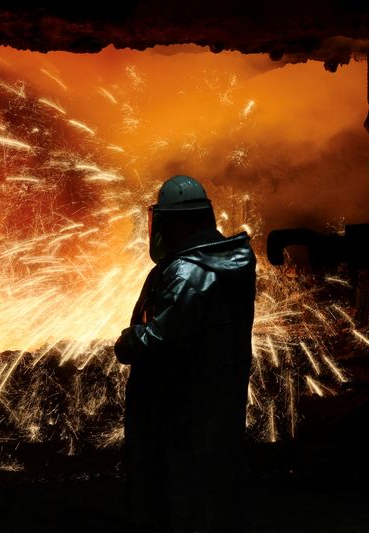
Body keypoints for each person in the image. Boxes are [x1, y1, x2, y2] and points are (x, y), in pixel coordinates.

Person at [114, 175, 256, 532]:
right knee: (213, 483)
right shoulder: (226, 262)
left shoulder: (187, 270)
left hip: (184, 400)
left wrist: (130, 340)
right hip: (216, 392)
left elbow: (163, 338)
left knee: (179, 487)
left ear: (172, 221)